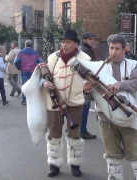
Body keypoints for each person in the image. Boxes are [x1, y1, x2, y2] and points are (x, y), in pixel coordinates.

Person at [83, 34, 137, 180]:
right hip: (105, 118)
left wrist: (118, 85)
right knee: (112, 156)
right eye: (111, 48)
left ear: (125, 49)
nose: (113, 52)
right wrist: (86, 91)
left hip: (128, 116)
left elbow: (136, 83)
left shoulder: (133, 64)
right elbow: (90, 97)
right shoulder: (99, 68)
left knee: (135, 154)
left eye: (117, 49)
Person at [40, 29, 91, 178]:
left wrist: (87, 92)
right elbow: (41, 77)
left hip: (75, 102)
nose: (64, 45)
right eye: (63, 42)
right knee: (54, 134)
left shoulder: (85, 59)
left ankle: (75, 165)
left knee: (74, 134)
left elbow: (90, 82)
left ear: (75, 44)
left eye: (68, 42)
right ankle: (54, 164)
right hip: (54, 103)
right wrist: (43, 83)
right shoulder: (52, 58)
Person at [78, 32, 97, 139]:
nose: (93, 41)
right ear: (84, 40)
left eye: (93, 39)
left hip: (82, 81)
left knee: (80, 105)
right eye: (90, 39)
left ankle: (74, 127)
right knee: (85, 105)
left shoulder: (85, 49)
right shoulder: (85, 51)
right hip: (84, 81)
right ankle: (83, 130)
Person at [14, 39, 43, 105]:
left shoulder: (21, 52)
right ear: (32, 45)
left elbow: (16, 61)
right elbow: (41, 61)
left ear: (25, 44)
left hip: (24, 71)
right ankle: (33, 100)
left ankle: (24, 100)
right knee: (33, 85)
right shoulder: (35, 53)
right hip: (33, 71)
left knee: (25, 85)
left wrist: (19, 67)